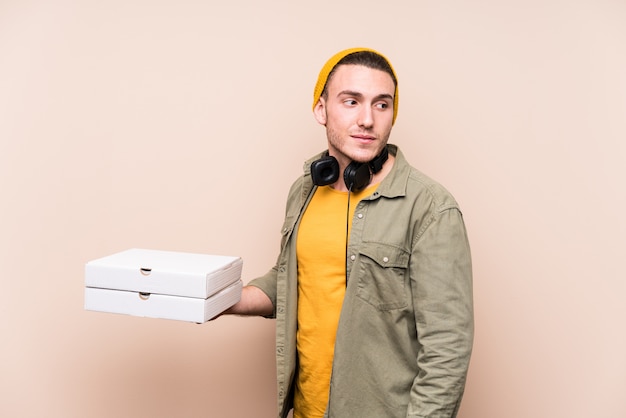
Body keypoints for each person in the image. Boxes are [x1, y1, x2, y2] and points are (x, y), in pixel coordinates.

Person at [222, 47, 474, 418]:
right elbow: (293, 277)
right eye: (351, 101)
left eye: (382, 105)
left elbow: (447, 349)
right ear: (321, 110)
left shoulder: (431, 209)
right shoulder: (304, 190)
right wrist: (220, 299)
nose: (368, 119)